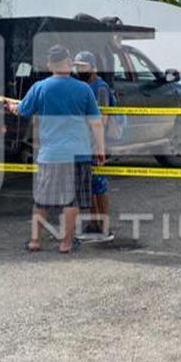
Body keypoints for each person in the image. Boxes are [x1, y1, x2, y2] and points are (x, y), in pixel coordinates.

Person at [9, 45, 105, 254]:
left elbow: (23, 110)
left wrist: (11, 106)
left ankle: (35, 241)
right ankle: (66, 243)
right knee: (72, 201)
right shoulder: (84, 89)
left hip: (50, 155)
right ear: (69, 62)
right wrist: (100, 149)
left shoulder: (40, 88)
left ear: (49, 64)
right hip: (78, 153)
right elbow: (96, 122)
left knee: (41, 201)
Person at [74, 50, 115, 242]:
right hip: (83, 143)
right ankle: (93, 223)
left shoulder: (100, 88)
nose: (79, 70)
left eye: (83, 66)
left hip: (96, 143)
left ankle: (104, 227)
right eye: (78, 66)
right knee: (88, 185)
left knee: (99, 185)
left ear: (93, 68)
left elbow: (102, 119)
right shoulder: (81, 86)